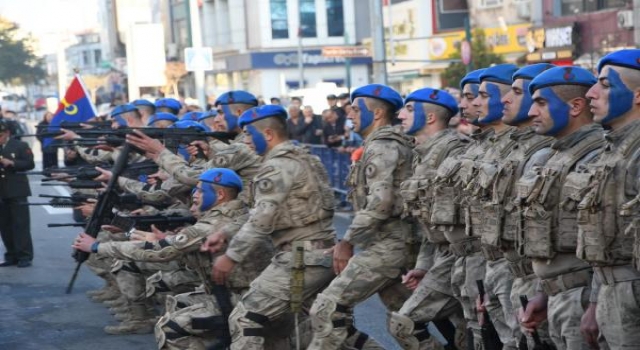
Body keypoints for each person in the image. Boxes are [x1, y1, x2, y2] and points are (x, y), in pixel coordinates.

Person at [201, 104, 338, 349]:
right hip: (316, 254)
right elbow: (261, 211)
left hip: (300, 258)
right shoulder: (305, 157)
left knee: (246, 316)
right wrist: (225, 233)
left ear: (267, 134)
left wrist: (231, 257)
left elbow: (261, 220)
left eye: (249, 134)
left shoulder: (277, 166)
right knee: (319, 327)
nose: (246, 141)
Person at [308, 84, 414, 349]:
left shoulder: (384, 147)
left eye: (356, 109)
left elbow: (380, 204)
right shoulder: (376, 145)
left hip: (390, 245)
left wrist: (348, 242)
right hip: (388, 242)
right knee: (407, 325)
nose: (349, 115)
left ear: (377, 114)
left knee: (326, 308)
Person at [517, 66, 606, 350]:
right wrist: (543, 292)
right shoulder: (553, 156)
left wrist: (594, 303)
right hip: (558, 295)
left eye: (541, 103)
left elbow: (604, 241)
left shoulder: (596, 155)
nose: (531, 112)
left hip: (582, 296)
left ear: (575, 106)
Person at [389, 88, 468, 349]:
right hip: (443, 255)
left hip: (462, 256)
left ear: (431, 117)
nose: (400, 115)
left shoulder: (454, 151)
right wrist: (423, 265)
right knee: (464, 333)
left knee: (404, 321)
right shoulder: (422, 154)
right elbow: (429, 223)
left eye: (409, 109)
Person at [575, 49, 640, 349]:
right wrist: (595, 301)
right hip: (612, 292)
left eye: (605, 84)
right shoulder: (612, 151)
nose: (591, 93)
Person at [0, 120, 35, 267]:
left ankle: (24, 255)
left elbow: (30, 163)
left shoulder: (20, 145)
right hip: (1, 191)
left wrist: (13, 163)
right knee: (5, 225)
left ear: (7, 133)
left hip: (17, 189)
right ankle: (11, 254)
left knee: (20, 223)